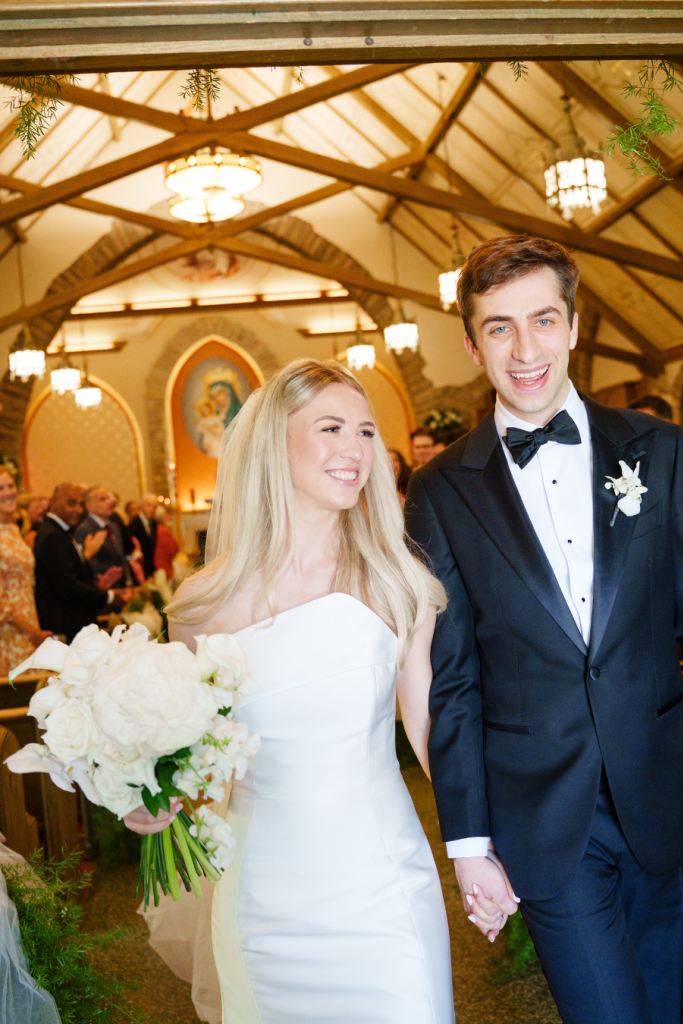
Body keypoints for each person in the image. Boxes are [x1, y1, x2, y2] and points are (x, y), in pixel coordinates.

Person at [405, 235, 683, 1024]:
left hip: (659, 793)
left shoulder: (658, 450)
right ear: (472, 343)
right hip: (541, 818)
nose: (524, 349)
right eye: (499, 327)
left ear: (574, 326)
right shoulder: (441, 491)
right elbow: (455, 677)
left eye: (542, 320)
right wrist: (468, 843)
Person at [124, 360, 454, 1024]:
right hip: (262, 892)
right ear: (275, 444)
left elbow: (428, 732)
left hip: (380, 881)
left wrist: (490, 840)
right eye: (330, 427)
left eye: (364, 432)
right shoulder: (201, 603)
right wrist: (152, 799)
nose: (353, 450)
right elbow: (191, 751)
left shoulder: (397, 582)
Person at [34, 483, 129, 642]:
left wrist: (97, 585)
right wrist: (109, 596)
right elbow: (68, 587)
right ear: (54, 502)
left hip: (74, 620)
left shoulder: (60, 531)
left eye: (80, 504)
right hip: (66, 623)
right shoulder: (52, 535)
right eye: (71, 503)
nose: (78, 510)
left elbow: (69, 575)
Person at [0, 470, 52, 674]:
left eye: (10, 486)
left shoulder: (13, 529)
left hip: (29, 620)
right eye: (0, 488)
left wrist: (35, 629)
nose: (8, 493)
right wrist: (31, 632)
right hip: (8, 629)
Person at [74, 486, 135, 588]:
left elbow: (122, 557)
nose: (109, 502)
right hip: (103, 591)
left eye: (108, 498)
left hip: (122, 587)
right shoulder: (85, 529)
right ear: (89, 506)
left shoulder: (113, 526)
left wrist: (129, 582)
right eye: (102, 499)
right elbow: (89, 565)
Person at [129, 494, 158, 578]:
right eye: (149, 506)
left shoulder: (154, 523)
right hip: (141, 567)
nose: (152, 510)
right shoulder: (134, 523)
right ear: (141, 506)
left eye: (154, 507)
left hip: (152, 567)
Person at [152, 504, 179, 578]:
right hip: (163, 564)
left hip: (158, 564)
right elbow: (173, 549)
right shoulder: (163, 530)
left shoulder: (157, 529)